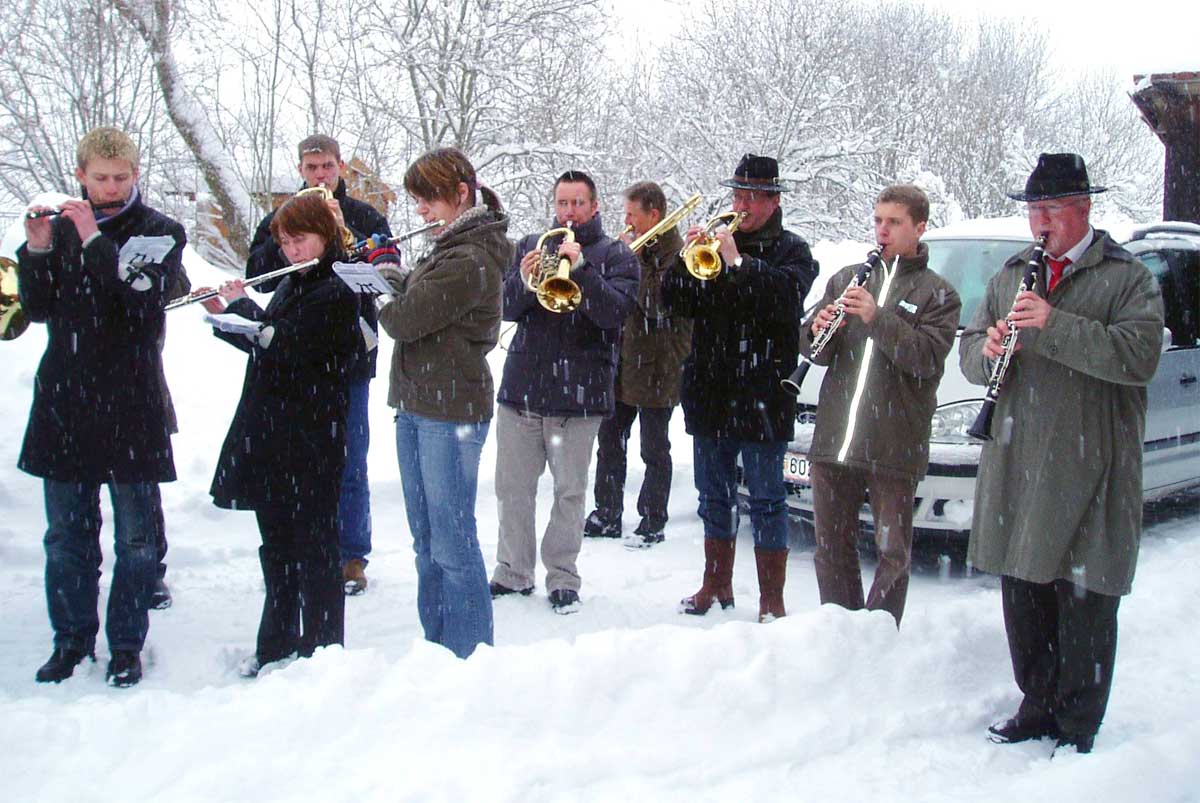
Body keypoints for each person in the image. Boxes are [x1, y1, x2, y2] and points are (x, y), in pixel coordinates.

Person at [959, 153, 1164, 754]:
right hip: (1020, 460)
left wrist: (1054, 323)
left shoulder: (1128, 278)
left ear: (1083, 209)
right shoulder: (1011, 274)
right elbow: (971, 352)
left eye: (1050, 209)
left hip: (1091, 463)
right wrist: (989, 349)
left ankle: (1078, 725)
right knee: (1025, 594)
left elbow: (1138, 357)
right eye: (1032, 210)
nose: (1039, 222)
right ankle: (1037, 702)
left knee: (1085, 600)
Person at [19, 126, 186, 687]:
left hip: (131, 400)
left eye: (120, 178)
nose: (110, 188)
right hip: (65, 400)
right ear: (80, 176)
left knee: (136, 540)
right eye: (99, 179)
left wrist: (94, 242)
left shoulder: (161, 231)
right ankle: (69, 640)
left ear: (136, 175)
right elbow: (37, 311)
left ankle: (125, 646)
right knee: (67, 534)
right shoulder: (62, 226)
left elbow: (137, 310)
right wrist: (39, 248)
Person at [204, 192, 360, 677]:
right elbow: (269, 342)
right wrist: (229, 318)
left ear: (325, 235)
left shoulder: (337, 286)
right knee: (277, 549)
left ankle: (321, 651)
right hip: (275, 435)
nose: (292, 250)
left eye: (301, 239)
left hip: (312, 438)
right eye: (286, 242)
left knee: (315, 550)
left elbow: (290, 345)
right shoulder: (295, 281)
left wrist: (245, 309)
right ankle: (276, 643)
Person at [664, 153, 818, 623]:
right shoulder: (712, 243)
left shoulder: (794, 250)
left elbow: (786, 303)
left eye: (751, 196)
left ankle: (772, 597)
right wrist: (685, 263)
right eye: (737, 195)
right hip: (711, 391)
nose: (741, 205)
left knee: (769, 500)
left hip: (763, 394)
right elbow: (677, 302)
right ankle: (716, 583)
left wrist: (738, 262)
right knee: (713, 496)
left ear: (773, 201)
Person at [802, 184, 960, 627]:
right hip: (836, 439)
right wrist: (816, 329)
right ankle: (840, 629)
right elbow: (814, 352)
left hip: (894, 443)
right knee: (830, 546)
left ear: (919, 227)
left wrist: (877, 318)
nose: (882, 231)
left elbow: (925, 359)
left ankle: (881, 637)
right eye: (878, 221)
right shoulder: (847, 277)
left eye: (894, 222)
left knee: (892, 553)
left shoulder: (938, 293)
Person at [246, 134, 397, 596]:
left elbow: (387, 272)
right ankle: (305, 547)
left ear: (340, 168)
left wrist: (341, 239)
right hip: (293, 358)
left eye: (327, 167)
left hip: (346, 357)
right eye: (311, 168)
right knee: (298, 460)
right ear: (301, 170)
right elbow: (258, 274)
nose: (320, 176)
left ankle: (351, 555)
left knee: (349, 458)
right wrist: (298, 239)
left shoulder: (366, 216)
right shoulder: (283, 217)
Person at [377, 147, 510, 658]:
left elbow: (405, 320)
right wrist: (389, 277)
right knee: (426, 542)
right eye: (416, 202)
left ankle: (471, 656)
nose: (421, 213)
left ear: (460, 194)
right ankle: (436, 651)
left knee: (452, 544)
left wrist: (381, 294)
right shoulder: (448, 247)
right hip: (417, 404)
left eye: (428, 200)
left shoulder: (471, 256)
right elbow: (413, 301)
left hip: (449, 411)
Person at [489, 170, 639, 612]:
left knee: (569, 493)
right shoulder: (533, 245)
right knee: (512, 489)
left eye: (577, 204)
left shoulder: (616, 255)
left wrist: (583, 269)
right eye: (561, 204)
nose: (568, 213)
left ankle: (562, 577)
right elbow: (505, 308)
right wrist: (522, 278)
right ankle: (514, 571)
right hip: (523, 390)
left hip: (580, 396)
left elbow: (614, 314)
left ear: (595, 207)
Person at [583, 181, 692, 548]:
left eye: (632, 214)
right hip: (625, 358)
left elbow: (655, 303)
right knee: (610, 439)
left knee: (654, 447)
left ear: (654, 215)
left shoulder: (680, 254)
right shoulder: (630, 249)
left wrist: (632, 263)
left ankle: (652, 517)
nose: (625, 222)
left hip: (659, 362)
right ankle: (607, 512)